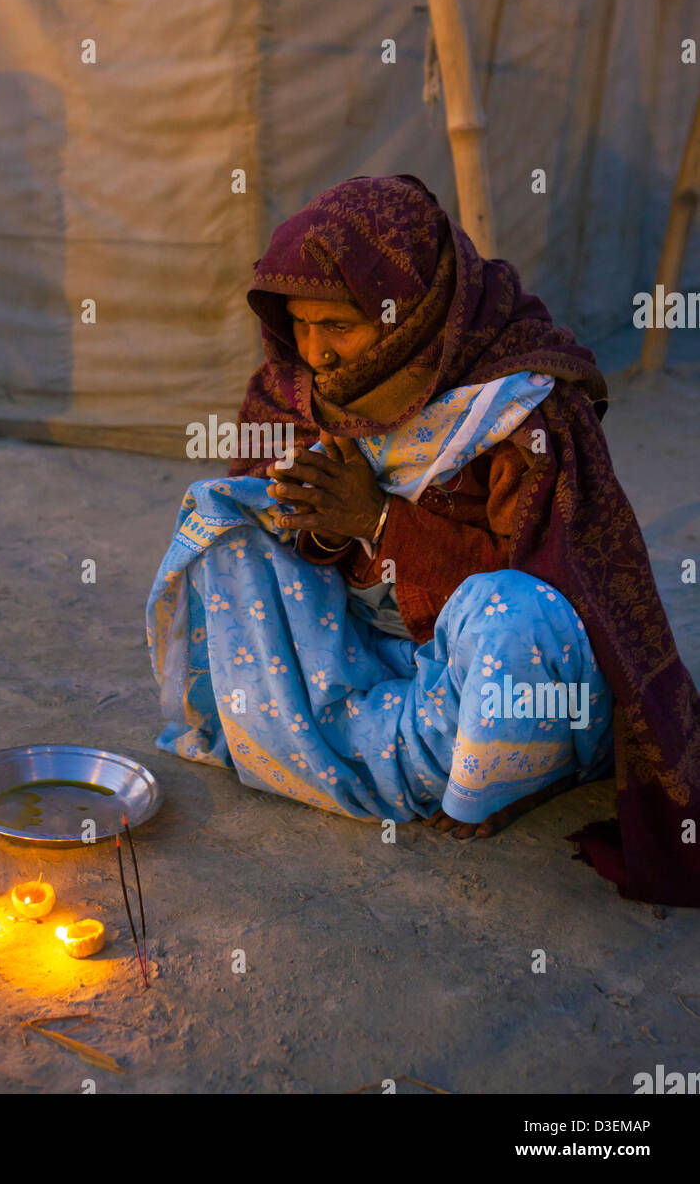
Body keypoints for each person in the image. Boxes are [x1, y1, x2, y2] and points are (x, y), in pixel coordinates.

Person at [147, 174, 700, 906]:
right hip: (366, 643)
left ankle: (508, 767)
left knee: (510, 612)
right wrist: (309, 516)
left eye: (336, 326)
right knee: (226, 522)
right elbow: (284, 511)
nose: (316, 353)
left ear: (407, 311)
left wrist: (379, 520)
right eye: (299, 325)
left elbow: (561, 597)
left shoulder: (521, 409)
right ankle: (331, 738)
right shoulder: (297, 386)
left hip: (489, 669)